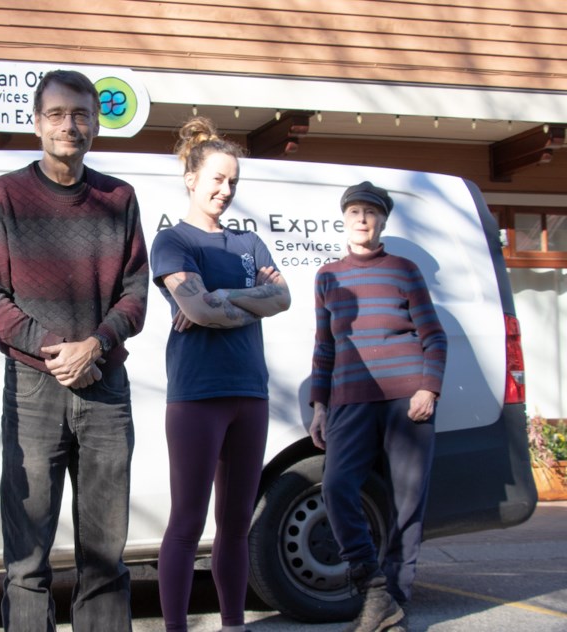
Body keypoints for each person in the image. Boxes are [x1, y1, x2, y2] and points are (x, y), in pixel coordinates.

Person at [0, 69, 149, 631]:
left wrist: (96, 344)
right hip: (32, 390)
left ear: (96, 122)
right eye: (56, 114)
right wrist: (57, 349)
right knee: (26, 559)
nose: (69, 125)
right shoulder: (5, 196)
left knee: (105, 556)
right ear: (36, 123)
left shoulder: (119, 199)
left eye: (80, 114)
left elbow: (137, 291)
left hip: (105, 389)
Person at [150, 117, 291, 632]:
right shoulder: (173, 242)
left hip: (250, 394)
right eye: (216, 179)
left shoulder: (249, 244)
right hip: (197, 395)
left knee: (234, 528)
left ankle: (234, 624)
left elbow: (284, 297)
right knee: (186, 525)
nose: (225, 190)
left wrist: (224, 297)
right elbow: (200, 309)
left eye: (233, 181)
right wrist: (235, 304)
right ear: (191, 178)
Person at [308, 182, 447, 632]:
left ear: (383, 221)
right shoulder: (327, 276)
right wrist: (319, 405)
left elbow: (434, 336)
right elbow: (324, 346)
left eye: (371, 212)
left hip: (407, 401)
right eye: (354, 211)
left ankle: (397, 600)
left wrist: (429, 388)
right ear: (344, 219)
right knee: (337, 487)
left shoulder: (404, 270)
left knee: (408, 502)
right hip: (349, 399)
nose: (362, 219)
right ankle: (373, 584)